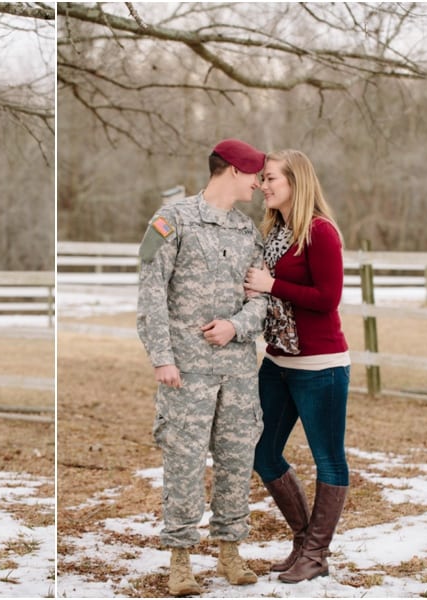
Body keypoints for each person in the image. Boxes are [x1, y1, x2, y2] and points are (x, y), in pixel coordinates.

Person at [137, 139, 268, 596]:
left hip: (237, 371)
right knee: (184, 463)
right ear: (232, 170)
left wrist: (236, 325)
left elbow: (261, 301)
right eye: (254, 174)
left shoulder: (248, 232)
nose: (258, 183)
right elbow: (151, 294)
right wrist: (162, 358)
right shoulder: (172, 220)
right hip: (185, 372)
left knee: (236, 461)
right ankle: (180, 560)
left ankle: (230, 551)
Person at [244, 149, 350, 583]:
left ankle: (316, 553)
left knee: (328, 458)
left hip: (320, 364)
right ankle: (304, 542)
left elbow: (328, 299)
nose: (263, 186)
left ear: (296, 182)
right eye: (263, 180)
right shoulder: (276, 232)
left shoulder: (320, 232)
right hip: (278, 359)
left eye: (271, 179)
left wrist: (273, 285)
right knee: (263, 451)